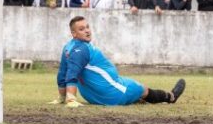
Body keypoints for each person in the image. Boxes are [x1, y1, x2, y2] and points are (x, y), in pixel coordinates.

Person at [49, 16, 186, 107]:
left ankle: (138, 100)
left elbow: (62, 73)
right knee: (141, 88)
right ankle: (171, 97)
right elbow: (71, 73)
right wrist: (71, 98)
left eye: (88, 27)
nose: (87, 31)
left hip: (93, 96)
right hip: (114, 93)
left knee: (128, 85)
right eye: (82, 29)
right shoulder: (82, 49)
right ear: (73, 33)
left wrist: (62, 97)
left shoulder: (68, 47)